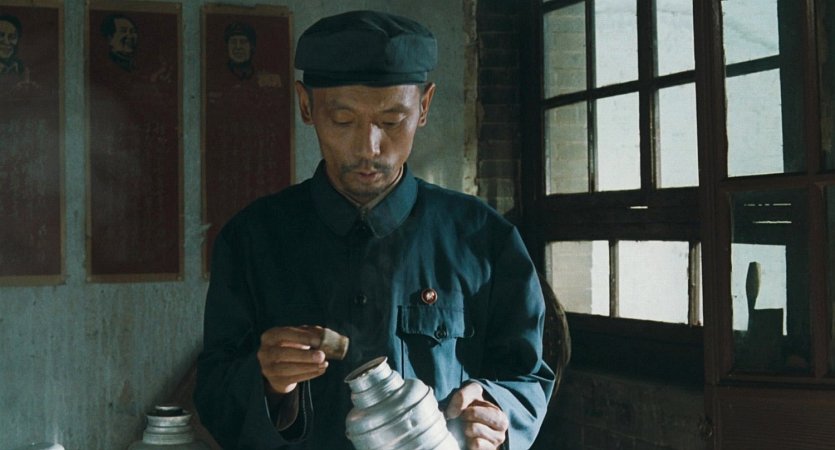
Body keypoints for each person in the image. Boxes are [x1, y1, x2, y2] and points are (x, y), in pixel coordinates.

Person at [194, 10, 554, 450]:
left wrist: (497, 410)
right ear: (306, 105)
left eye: (391, 121)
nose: (369, 148)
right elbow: (213, 396)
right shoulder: (251, 240)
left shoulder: (485, 240)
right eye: (343, 120)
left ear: (424, 106)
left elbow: (526, 378)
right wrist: (269, 384)